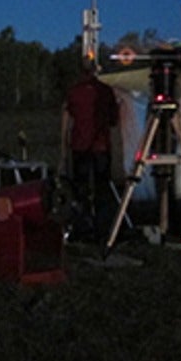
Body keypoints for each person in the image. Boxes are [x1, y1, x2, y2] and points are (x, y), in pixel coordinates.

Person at [61, 63, 120, 239]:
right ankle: (103, 228)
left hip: (80, 147)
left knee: (80, 188)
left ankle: (83, 225)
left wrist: (63, 150)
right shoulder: (106, 91)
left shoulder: (73, 92)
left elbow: (66, 120)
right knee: (102, 188)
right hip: (100, 147)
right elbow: (113, 121)